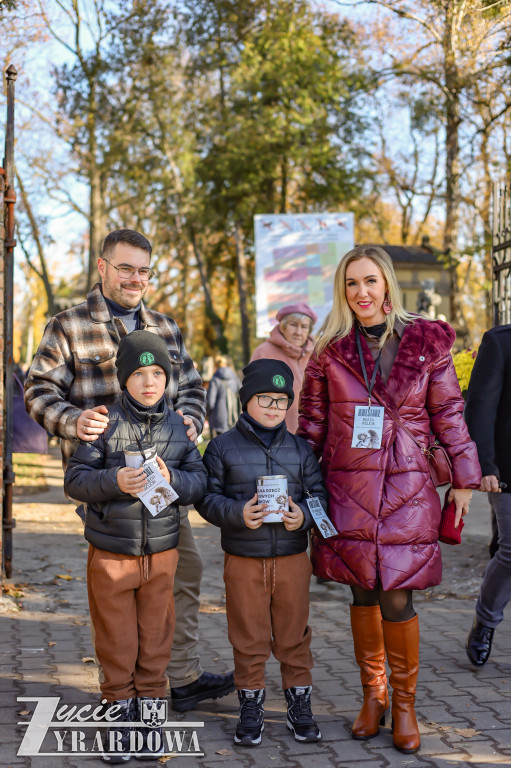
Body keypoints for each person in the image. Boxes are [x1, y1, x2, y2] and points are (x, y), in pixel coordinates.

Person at [24, 228, 234, 711]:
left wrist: (191, 418)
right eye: (125, 268)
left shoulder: (166, 326)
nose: (135, 278)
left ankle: (176, 678)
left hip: (164, 485)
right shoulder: (68, 325)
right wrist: (75, 421)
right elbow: (37, 391)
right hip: (106, 490)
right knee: (116, 593)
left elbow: (192, 388)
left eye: (143, 270)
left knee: (181, 574)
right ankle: (122, 693)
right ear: (103, 267)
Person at [297, 245, 481, 755]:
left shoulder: (425, 342)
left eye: (370, 281)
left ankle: (404, 705)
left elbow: (449, 413)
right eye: (352, 283)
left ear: (387, 285)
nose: (362, 292)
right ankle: (372, 695)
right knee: (361, 591)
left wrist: (465, 478)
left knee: (397, 593)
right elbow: (311, 426)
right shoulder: (329, 351)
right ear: (343, 290)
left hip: (408, 486)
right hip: (348, 488)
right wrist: (299, 485)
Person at [64, 331, 207, 762]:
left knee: (157, 638)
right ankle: (118, 714)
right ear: (124, 378)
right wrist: (114, 481)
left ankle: (150, 715)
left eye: (158, 373)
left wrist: (174, 478)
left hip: (162, 555)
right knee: (117, 640)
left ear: (167, 379)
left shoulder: (179, 427)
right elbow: (76, 480)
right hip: (112, 555)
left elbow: (199, 481)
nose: (149, 382)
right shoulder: (103, 424)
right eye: (140, 373)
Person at [196, 359, 327, 747]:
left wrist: (304, 516)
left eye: (281, 400)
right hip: (243, 560)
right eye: (264, 398)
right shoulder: (221, 448)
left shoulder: (301, 450)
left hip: (292, 559)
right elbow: (206, 499)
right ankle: (250, 705)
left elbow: (320, 497)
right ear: (246, 399)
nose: (273, 407)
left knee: (293, 636)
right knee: (248, 636)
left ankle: (299, 704)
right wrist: (237, 513)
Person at [464, 325, 511, 666]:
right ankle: (486, 620)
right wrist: (484, 463)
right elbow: (481, 405)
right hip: (507, 468)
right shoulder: (500, 341)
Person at [251, 303, 316, 433]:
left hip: (312, 435)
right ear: (283, 327)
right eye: (293, 325)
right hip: (276, 436)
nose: (298, 332)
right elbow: (252, 399)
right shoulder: (264, 353)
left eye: (304, 327)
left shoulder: (317, 355)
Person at [206, 355, 241, 438]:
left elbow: (210, 402)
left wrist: (207, 414)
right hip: (234, 418)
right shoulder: (235, 379)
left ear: (216, 366)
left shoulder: (215, 380)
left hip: (218, 420)